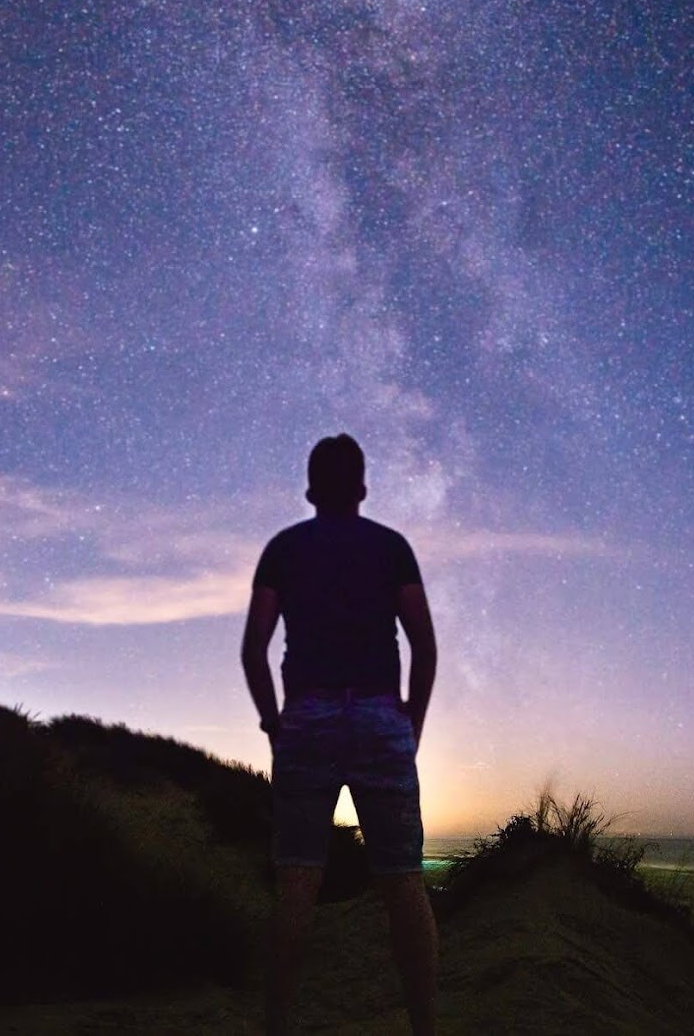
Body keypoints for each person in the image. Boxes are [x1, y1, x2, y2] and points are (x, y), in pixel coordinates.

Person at [241, 434, 438, 1036]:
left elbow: (254, 651)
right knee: (404, 880)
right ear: (361, 487)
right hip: (382, 718)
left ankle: (276, 1025)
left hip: (307, 717)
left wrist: (276, 724)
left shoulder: (283, 549)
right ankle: (424, 1030)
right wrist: (412, 726)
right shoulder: (391, 547)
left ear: (309, 489)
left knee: (297, 878)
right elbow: (424, 646)